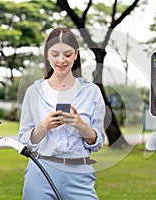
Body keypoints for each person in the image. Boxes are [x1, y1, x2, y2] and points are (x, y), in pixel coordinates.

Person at [18, 27, 106, 200]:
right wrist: (45, 126)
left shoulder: (91, 92)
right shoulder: (33, 92)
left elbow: (96, 142)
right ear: (47, 54)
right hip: (41, 170)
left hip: (79, 173)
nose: (61, 60)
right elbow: (25, 140)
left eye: (67, 54)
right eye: (55, 54)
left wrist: (79, 124)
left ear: (76, 54)